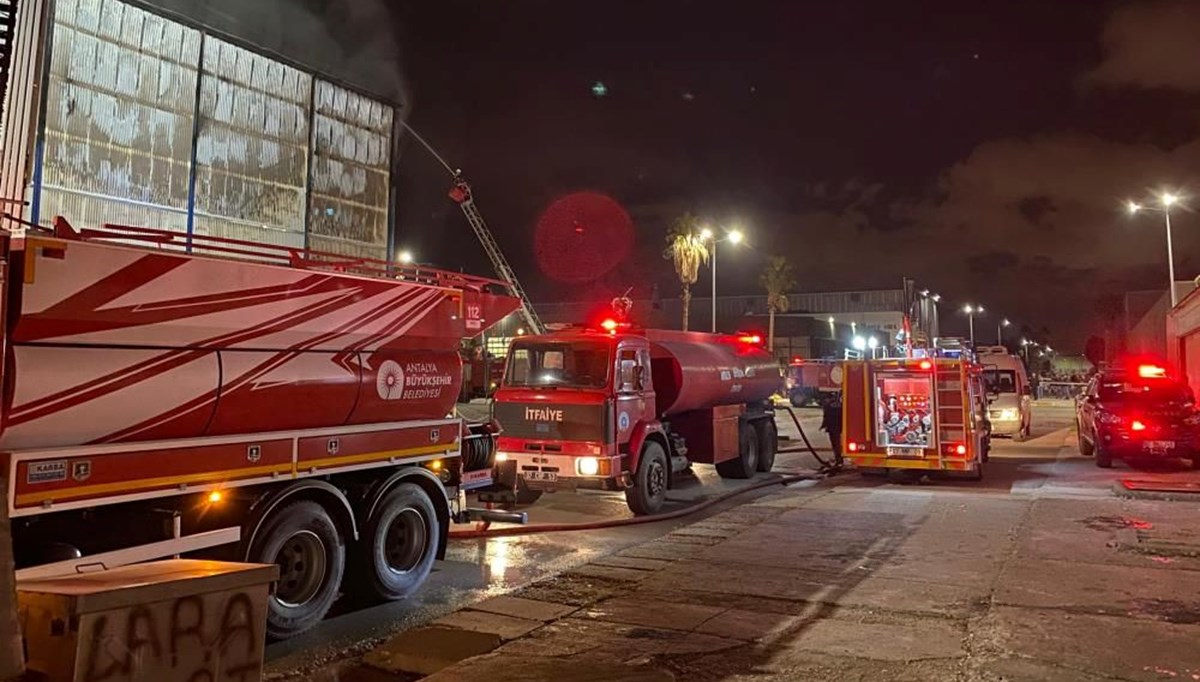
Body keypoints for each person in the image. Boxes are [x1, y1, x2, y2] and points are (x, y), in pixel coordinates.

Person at [820, 391, 844, 466]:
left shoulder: (828, 405)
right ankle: (839, 459)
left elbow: (826, 416)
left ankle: (839, 459)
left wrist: (824, 425)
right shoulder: (840, 405)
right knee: (837, 443)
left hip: (833, 427)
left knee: (836, 443)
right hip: (838, 426)